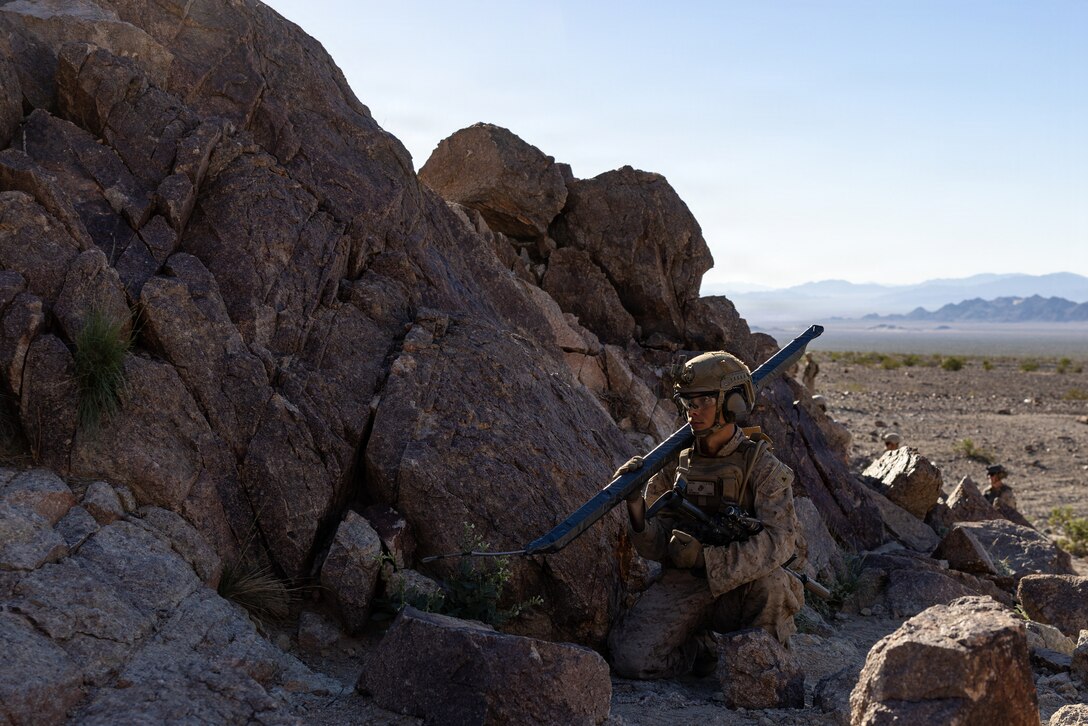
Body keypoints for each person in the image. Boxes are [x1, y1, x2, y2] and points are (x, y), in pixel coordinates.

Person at [607, 351, 805, 680]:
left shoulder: (763, 468)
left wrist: (706, 559)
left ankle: (761, 666)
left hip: (742, 586)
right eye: (687, 404)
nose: (692, 413)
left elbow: (780, 541)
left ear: (733, 405)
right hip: (684, 585)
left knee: (772, 583)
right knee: (631, 660)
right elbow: (654, 547)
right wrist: (635, 506)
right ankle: (701, 653)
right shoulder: (675, 463)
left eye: (702, 403)